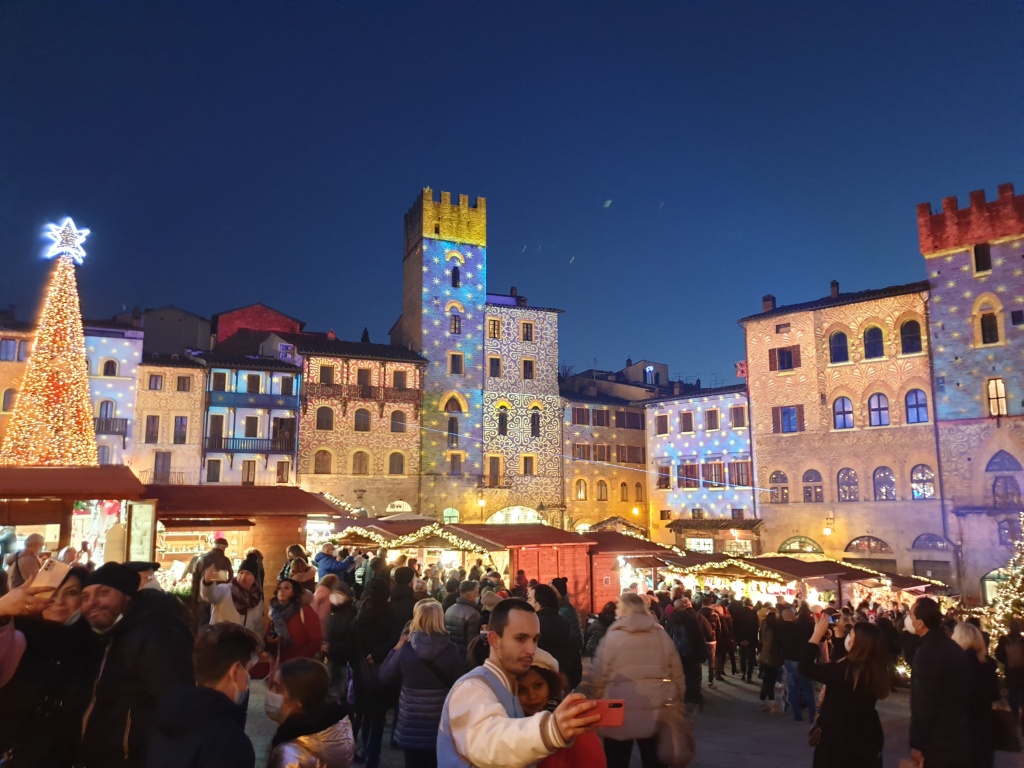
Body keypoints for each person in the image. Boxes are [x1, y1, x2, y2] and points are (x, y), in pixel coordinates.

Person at [438, 598, 601, 768]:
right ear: (494, 640)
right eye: (521, 639)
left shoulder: (508, 688)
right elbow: (490, 741)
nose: (531, 649)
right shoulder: (472, 688)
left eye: (535, 639)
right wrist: (551, 730)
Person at [76, 562, 196, 767]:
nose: (91, 603)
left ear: (127, 596)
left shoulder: (154, 634)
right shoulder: (113, 635)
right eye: (85, 597)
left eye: (103, 592)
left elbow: (175, 707)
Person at [0, 568, 101, 766]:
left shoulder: (96, 642)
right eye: (51, 592)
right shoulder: (13, 637)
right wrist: (1, 609)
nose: (59, 601)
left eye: (71, 593)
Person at [580, 591, 687, 768]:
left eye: (618, 608)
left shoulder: (613, 637)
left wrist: (595, 699)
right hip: (655, 710)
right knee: (653, 760)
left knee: (617, 759)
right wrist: (679, 698)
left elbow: (599, 675)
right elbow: (676, 672)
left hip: (618, 712)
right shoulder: (660, 636)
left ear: (624, 611)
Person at [147, 623, 262, 768]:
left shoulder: (164, 719)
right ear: (236, 671)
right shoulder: (230, 743)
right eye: (248, 669)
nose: (247, 679)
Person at [380, 600, 464, 768]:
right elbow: (460, 685)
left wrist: (395, 649)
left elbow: (385, 675)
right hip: (439, 721)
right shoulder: (451, 650)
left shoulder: (406, 649)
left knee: (412, 762)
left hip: (410, 720)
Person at [799, 614, 889, 767]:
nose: (849, 638)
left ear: (856, 643)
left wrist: (816, 636)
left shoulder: (845, 672)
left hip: (838, 737)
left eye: (851, 635)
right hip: (867, 734)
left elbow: (805, 667)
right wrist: (839, 637)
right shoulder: (875, 670)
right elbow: (845, 660)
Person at [906, 596, 970, 768]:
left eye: (912, 617)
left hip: (938, 739)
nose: (909, 621)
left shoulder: (927, 654)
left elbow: (924, 704)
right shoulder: (953, 647)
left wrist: (918, 744)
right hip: (957, 734)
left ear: (920, 623)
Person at [518, 649, 607, 768]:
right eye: (521, 690)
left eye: (538, 685)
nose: (532, 696)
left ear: (550, 685)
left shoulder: (575, 727)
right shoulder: (506, 726)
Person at [266, 658, 355, 768]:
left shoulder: (289, 754)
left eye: (278, 688)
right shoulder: (336, 730)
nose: (271, 693)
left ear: (299, 700)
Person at [351, 578, 400, 768]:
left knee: (364, 713)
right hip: (380, 670)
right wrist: (377, 655)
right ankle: (372, 758)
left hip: (361, 669)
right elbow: (393, 641)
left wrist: (362, 657)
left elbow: (352, 639)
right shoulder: (390, 615)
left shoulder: (360, 614)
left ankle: (363, 750)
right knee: (377, 718)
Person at [953, 622, 999, 768]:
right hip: (984, 725)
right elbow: (994, 694)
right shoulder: (988, 664)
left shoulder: (956, 665)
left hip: (962, 727)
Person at [529, 583, 583, 689]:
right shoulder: (566, 625)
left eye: (530, 599)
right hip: (563, 688)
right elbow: (576, 667)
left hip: (537, 691)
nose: (527, 603)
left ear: (538, 604)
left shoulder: (532, 629)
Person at [665, 596, 711, 710]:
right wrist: (703, 654)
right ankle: (695, 700)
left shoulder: (671, 620)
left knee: (679, 677)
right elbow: (699, 637)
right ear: (685, 606)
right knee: (694, 678)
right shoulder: (692, 618)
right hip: (692, 654)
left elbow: (667, 637)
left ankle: (681, 699)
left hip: (676, 654)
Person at [199, 555, 264, 633]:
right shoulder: (225, 590)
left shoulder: (257, 599)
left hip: (244, 642)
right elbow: (209, 596)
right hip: (220, 640)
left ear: (255, 578)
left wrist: (259, 642)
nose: (243, 577)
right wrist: (207, 582)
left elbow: (258, 626)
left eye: (248, 573)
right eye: (241, 573)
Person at [267, 577, 322, 664]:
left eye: (287, 588)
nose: (282, 591)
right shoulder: (274, 613)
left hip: (301, 665)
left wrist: (299, 659)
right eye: (279, 588)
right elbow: (268, 638)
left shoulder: (304, 610)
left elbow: (316, 640)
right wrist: (270, 641)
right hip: (280, 664)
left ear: (294, 592)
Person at [778, 606, 815, 722]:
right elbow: (804, 644)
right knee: (807, 688)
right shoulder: (797, 629)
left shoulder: (778, 629)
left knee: (792, 687)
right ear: (792, 616)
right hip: (799, 660)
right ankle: (812, 716)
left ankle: (797, 714)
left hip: (787, 660)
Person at [324, 581, 357, 691]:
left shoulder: (351, 613)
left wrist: (331, 647)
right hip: (333, 657)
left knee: (342, 690)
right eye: (334, 592)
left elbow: (351, 640)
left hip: (344, 660)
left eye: (339, 593)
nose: (335, 596)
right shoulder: (334, 612)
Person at [995, 617, 1024, 724]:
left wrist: (1006, 662)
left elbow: (999, 654)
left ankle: (1015, 715)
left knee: (1013, 693)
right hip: (1022, 672)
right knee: (1022, 692)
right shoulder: (1022, 640)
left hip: (1010, 671)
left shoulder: (1004, 640)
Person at [444, 579, 481, 655]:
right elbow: (472, 641)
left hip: (451, 652)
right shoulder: (473, 613)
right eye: (476, 593)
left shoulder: (450, 609)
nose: (478, 595)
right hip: (465, 654)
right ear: (469, 595)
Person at [757, 608, 783, 713]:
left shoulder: (764, 626)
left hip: (765, 656)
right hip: (772, 657)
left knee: (766, 680)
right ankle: (770, 701)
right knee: (770, 680)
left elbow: (762, 641)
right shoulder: (774, 630)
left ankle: (763, 701)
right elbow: (773, 644)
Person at [551, 577, 584, 649]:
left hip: (570, 648)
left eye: (552, 590)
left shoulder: (564, 610)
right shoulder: (564, 608)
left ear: (558, 593)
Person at [732, 597, 759, 683]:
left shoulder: (738, 613)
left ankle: (743, 672)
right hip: (750, 640)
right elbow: (755, 628)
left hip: (741, 640)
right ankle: (749, 675)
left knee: (742, 657)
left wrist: (739, 639)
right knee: (750, 658)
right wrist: (749, 640)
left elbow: (734, 627)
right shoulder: (753, 613)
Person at [698, 596, 720, 688]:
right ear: (710, 604)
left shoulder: (698, 614)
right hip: (712, 641)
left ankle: (699, 681)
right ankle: (710, 681)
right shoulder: (715, 614)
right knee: (711, 662)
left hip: (701, 640)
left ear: (702, 603)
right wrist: (716, 638)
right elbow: (719, 628)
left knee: (699, 661)